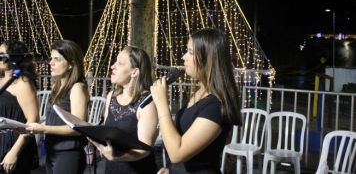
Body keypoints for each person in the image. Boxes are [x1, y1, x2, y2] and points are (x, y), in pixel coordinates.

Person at [150, 28, 242, 174]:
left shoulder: (215, 106)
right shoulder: (199, 93)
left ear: (208, 58)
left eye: (190, 52)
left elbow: (177, 153)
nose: (183, 57)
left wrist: (162, 105)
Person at [90, 46, 158, 174]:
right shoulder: (111, 96)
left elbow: (145, 149)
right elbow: (107, 133)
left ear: (134, 72)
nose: (112, 66)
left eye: (120, 63)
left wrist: (116, 156)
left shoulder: (147, 102)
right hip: (111, 169)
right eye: (115, 61)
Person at [27, 39, 89, 174]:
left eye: (57, 59)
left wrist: (43, 129)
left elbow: (78, 128)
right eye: (51, 58)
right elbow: (56, 119)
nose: (51, 63)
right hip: (52, 150)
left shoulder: (77, 87)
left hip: (68, 152)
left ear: (71, 64)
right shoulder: (57, 86)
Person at [0, 40, 39, 174]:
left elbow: (32, 121)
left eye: (1, 55)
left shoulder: (23, 84)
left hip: (13, 144)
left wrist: (14, 152)